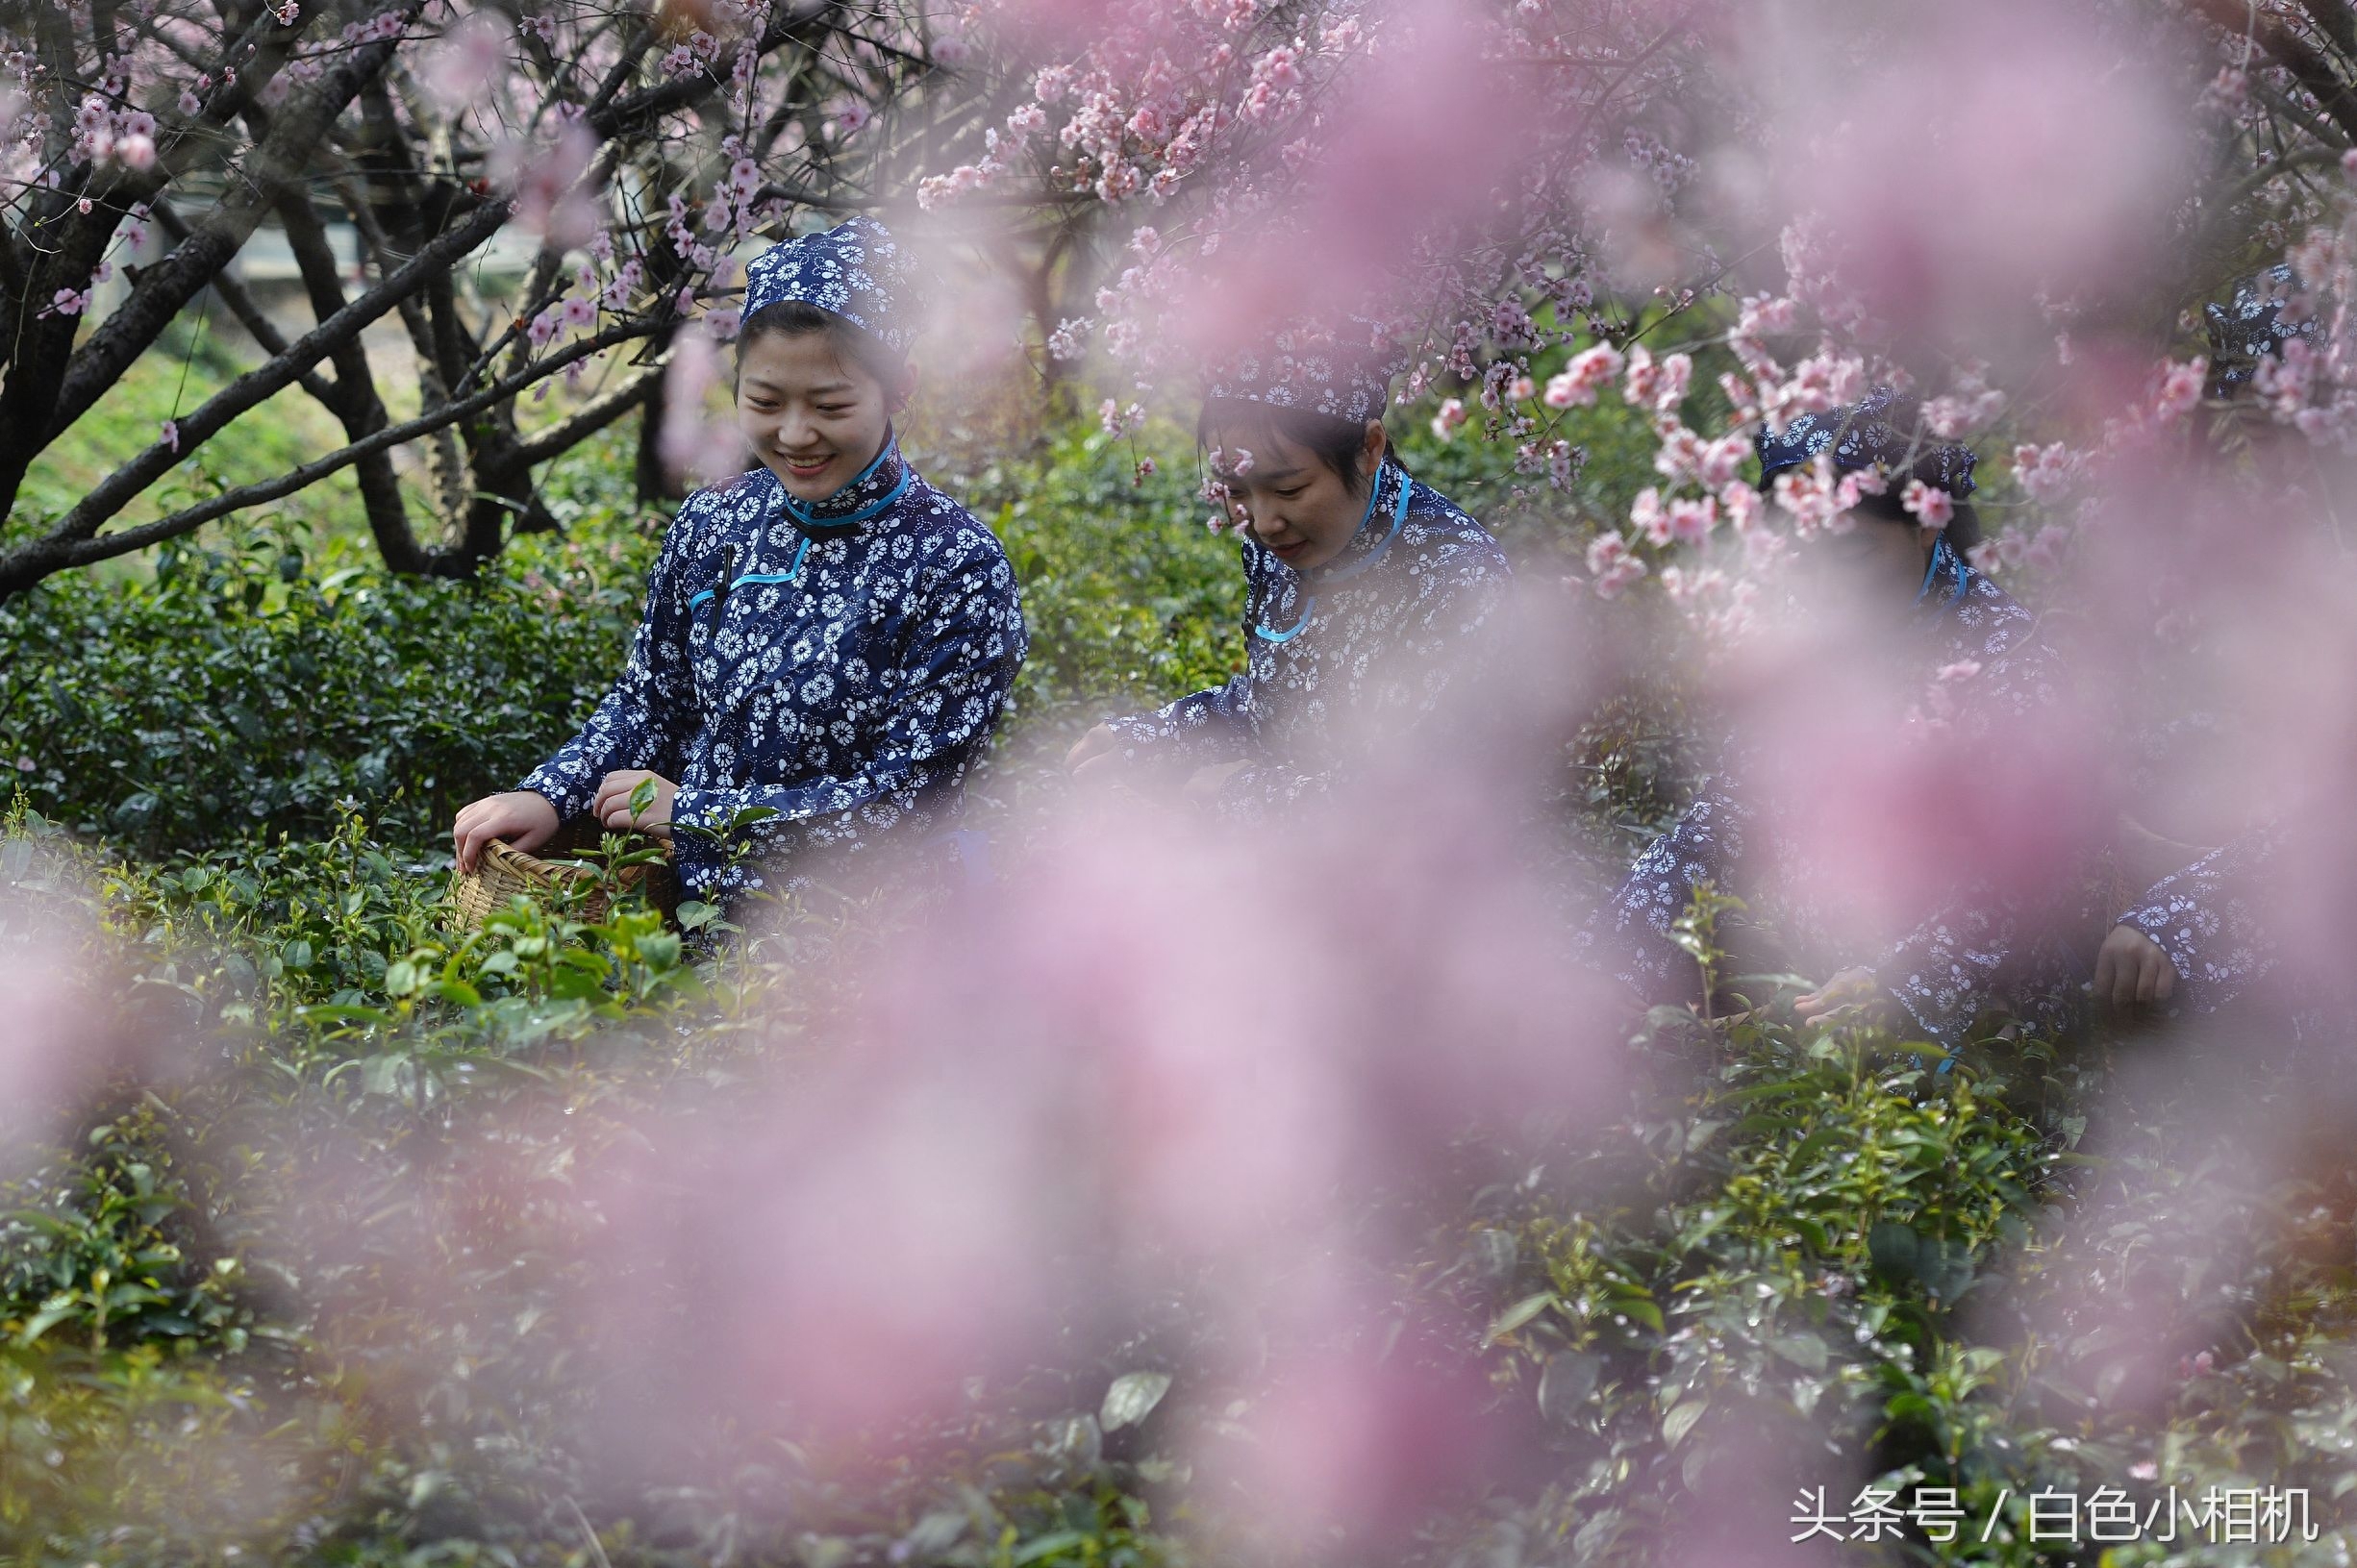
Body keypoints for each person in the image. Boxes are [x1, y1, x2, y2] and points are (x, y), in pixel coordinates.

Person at [452, 216, 1027, 911]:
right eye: (763, 401)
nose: (793, 434)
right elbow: (652, 702)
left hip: (869, 949)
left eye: (830, 404)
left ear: (898, 388)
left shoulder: (957, 565)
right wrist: (551, 791)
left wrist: (697, 815)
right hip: (683, 922)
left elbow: (905, 804)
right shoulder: (714, 523)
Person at [1592, 388, 2079, 1054]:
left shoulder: (2007, 659)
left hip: (1946, 1023)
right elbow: (1723, 817)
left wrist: (1896, 988)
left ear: (1926, 522)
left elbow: (2018, 891)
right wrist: (1615, 955)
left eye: (1847, 554)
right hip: (1796, 984)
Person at [1064, 326, 1514, 816]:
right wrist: (1153, 739)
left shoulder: (1457, 578)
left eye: (1289, 489)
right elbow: (1274, 704)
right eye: (1236, 492)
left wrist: (1242, 794)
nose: (1262, 523)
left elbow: (1421, 801)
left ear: (1369, 448)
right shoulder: (1287, 543)